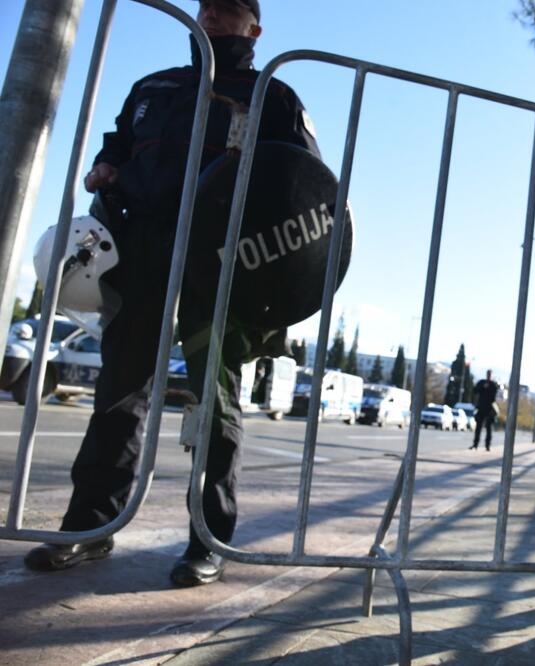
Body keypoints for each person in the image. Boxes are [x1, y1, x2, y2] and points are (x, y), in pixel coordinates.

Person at [24, 0, 320, 587]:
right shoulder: (154, 87)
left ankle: (209, 539)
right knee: (119, 391)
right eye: (206, 7)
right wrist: (105, 167)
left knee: (215, 398)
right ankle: (89, 527)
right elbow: (117, 144)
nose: (212, 17)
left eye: (228, 10)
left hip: (220, 263)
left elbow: (305, 189)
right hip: (142, 253)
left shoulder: (273, 96)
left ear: (254, 29)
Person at [469, 369, 500, 451]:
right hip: (481, 408)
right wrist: (482, 387)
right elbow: (475, 391)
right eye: (488, 374)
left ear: (491, 375)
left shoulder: (493, 385)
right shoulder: (481, 382)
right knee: (478, 427)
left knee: (489, 428)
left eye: (490, 374)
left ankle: (487, 446)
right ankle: (475, 445)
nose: (489, 375)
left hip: (489, 409)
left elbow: (493, 398)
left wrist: (488, 388)